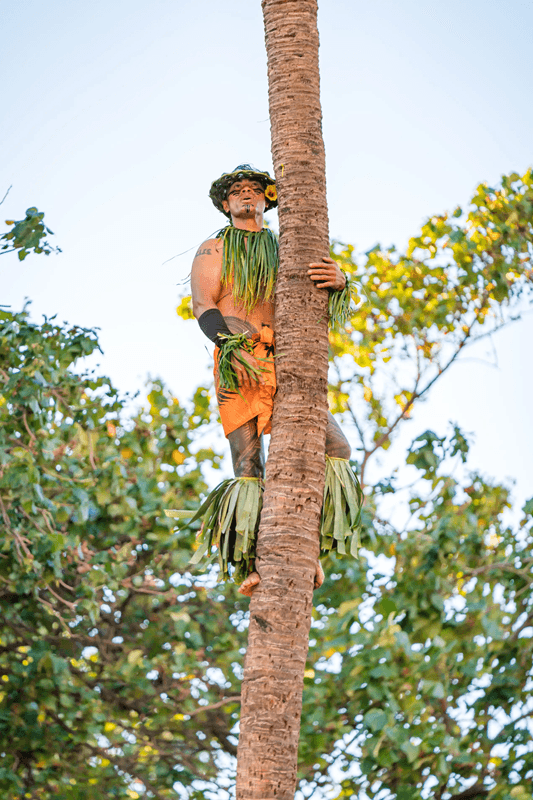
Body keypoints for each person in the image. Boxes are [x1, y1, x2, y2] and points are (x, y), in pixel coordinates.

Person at [188, 165, 362, 596]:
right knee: (248, 464)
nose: (246, 195)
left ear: (267, 200)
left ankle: (309, 547)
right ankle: (250, 564)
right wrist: (231, 346)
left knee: (337, 448)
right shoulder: (214, 248)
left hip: (288, 362)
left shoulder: (289, 246)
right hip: (239, 361)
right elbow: (203, 305)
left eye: (254, 189)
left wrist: (341, 282)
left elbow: (316, 289)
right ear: (225, 203)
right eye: (237, 191)